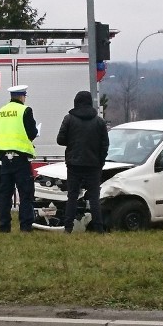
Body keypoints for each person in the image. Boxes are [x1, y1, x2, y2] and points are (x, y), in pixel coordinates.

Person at [57, 90, 109, 233]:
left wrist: (72, 141)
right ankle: (99, 229)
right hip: (93, 165)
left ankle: (68, 228)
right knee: (94, 198)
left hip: (74, 164)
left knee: (72, 197)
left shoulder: (69, 119)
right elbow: (105, 144)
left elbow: (60, 140)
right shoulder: (99, 121)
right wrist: (100, 162)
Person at [0, 84, 38, 233]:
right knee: (26, 194)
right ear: (22, 96)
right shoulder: (25, 110)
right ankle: (25, 226)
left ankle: (4, 227)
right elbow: (32, 133)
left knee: (5, 195)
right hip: (20, 159)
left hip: (5, 159)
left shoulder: (1, 112)